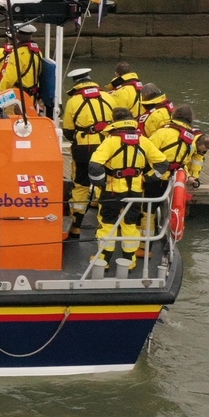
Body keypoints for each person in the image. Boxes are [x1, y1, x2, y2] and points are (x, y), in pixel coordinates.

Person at [87, 108, 168, 272]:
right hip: (136, 191)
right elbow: (163, 163)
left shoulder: (110, 141)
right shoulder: (143, 141)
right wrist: (149, 178)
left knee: (107, 224)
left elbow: (94, 165)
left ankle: (103, 261)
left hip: (112, 191)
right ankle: (129, 262)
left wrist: (101, 183)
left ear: (115, 121)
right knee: (130, 224)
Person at [59, 68, 116, 239]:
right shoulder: (108, 97)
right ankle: (104, 224)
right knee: (105, 183)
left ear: (75, 83)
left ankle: (76, 225)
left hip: (84, 149)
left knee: (81, 185)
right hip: (107, 147)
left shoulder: (74, 101)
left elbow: (68, 131)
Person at [0, 23, 42, 111]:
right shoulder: (37, 53)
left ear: (16, 36)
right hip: (30, 98)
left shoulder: (17, 54)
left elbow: (9, 79)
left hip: (14, 99)